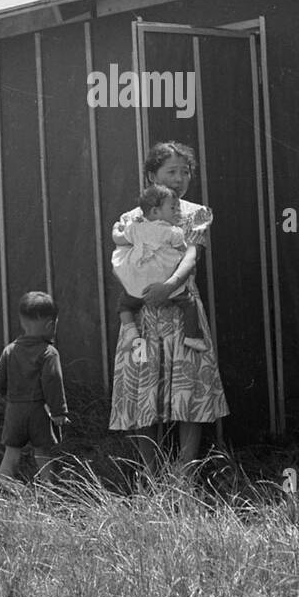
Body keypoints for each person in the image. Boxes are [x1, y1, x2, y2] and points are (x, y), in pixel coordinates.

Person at [108, 141, 228, 471]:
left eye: (185, 172)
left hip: (181, 311)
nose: (179, 178)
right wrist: (139, 289)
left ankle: (184, 474)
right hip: (143, 316)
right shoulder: (133, 217)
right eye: (170, 172)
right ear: (152, 175)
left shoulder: (195, 213)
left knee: (189, 392)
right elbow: (120, 257)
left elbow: (191, 255)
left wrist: (169, 287)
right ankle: (150, 472)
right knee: (142, 390)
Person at [113, 183, 207, 351]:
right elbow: (186, 251)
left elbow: (119, 239)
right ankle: (192, 337)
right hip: (169, 283)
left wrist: (116, 230)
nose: (179, 178)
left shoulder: (135, 225)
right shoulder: (174, 231)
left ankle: (130, 330)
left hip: (141, 287)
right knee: (188, 302)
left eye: (185, 172)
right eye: (173, 208)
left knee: (125, 303)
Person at [0, 290, 69, 482]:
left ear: (22, 322)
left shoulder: (10, 350)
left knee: (11, 454)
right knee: (42, 453)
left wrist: (8, 396)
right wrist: (59, 412)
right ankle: (48, 490)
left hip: (14, 409)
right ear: (51, 325)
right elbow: (53, 382)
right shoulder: (49, 353)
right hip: (39, 411)